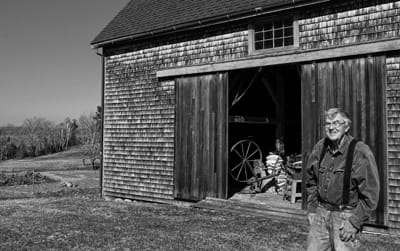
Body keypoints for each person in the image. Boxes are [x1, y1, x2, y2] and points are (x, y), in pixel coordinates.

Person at [305, 108, 380, 251]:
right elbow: (311, 181)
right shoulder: (320, 147)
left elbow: (371, 193)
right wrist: (312, 208)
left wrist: (354, 222)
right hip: (321, 213)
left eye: (337, 123)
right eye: (328, 124)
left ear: (347, 127)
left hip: (345, 217)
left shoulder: (359, 151)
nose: (332, 127)